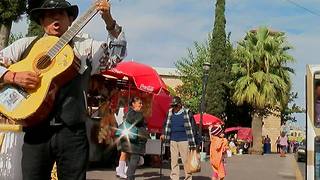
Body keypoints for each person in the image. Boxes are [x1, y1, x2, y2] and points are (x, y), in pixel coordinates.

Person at [0, 0, 126, 179]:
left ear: (70, 20)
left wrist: (109, 21)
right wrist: (11, 76)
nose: (55, 18)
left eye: (61, 14)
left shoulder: (85, 47)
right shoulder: (26, 45)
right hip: (35, 131)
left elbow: (116, 55)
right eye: (50, 15)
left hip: (72, 132)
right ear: (42, 21)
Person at [160, 96, 200, 180]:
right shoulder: (170, 113)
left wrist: (196, 142)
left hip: (184, 140)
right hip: (173, 140)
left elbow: (193, 127)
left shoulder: (187, 112)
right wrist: (163, 133)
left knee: (185, 160)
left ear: (180, 105)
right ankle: (174, 177)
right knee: (173, 161)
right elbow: (165, 124)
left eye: (175, 106)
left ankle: (188, 177)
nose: (174, 108)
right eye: (172, 106)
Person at [117, 97, 149, 180]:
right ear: (133, 104)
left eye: (141, 103)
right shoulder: (132, 113)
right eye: (139, 103)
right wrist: (141, 115)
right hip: (134, 141)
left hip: (135, 140)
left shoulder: (133, 113)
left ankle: (126, 173)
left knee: (135, 159)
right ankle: (128, 176)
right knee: (135, 159)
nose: (141, 105)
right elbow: (136, 120)